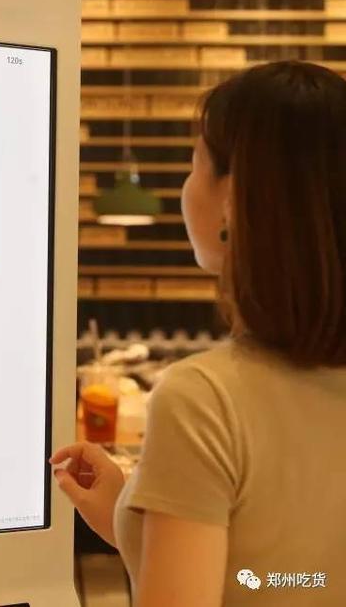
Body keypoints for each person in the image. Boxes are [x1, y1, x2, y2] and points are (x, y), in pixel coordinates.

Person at [52, 60, 346, 606]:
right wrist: (133, 517)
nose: (187, 188)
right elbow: (282, 573)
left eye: (194, 166)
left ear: (233, 198)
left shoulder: (203, 401)